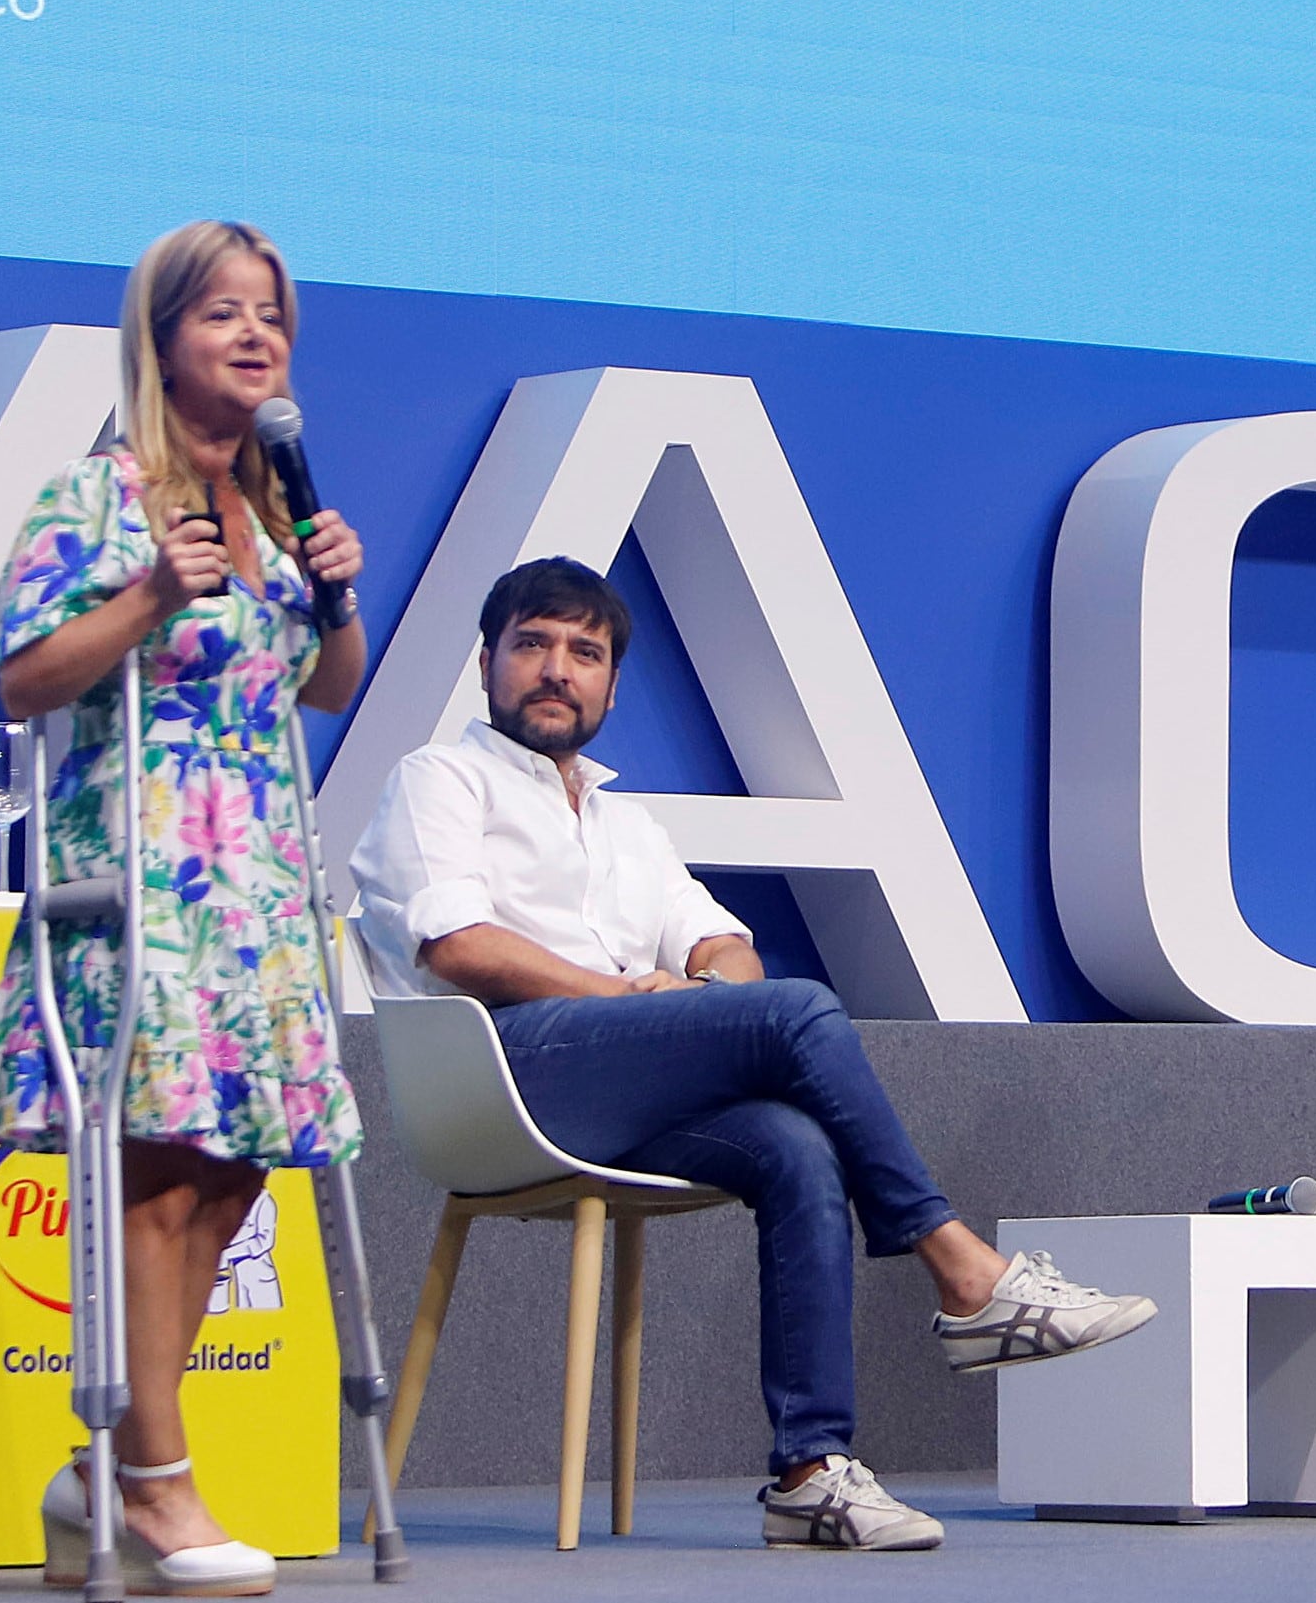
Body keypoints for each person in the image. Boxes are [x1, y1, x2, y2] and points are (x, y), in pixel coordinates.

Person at [348, 557, 1158, 1551]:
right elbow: (458, 944)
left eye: (585, 652)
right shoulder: (438, 778)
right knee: (797, 1013)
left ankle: (810, 1472)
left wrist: (699, 993)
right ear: (487, 663)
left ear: (610, 684)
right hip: (500, 1071)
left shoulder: (627, 824)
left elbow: (727, 947)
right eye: (533, 643)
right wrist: (625, 993)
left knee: (793, 1144)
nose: (557, 668)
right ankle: (962, 1268)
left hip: (618, 1081)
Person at [0, 219, 371, 1598]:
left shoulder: (275, 507)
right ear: (162, 338)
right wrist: (144, 593)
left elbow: (323, 685)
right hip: (145, 865)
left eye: (272, 316)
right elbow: (22, 680)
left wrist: (335, 594)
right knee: (153, 1169)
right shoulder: (96, 495)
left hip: (257, 880)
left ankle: (105, 1476)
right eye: (222, 313)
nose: (255, 336)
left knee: (234, 1169)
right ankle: (153, 1479)